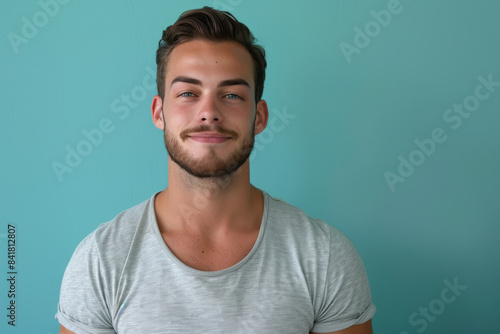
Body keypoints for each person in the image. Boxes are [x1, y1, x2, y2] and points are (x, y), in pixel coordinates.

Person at [56, 6, 376, 334]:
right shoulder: (101, 260)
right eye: (188, 94)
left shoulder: (325, 257)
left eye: (232, 95)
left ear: (259, 116)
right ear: (159, 112)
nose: (209, 112)